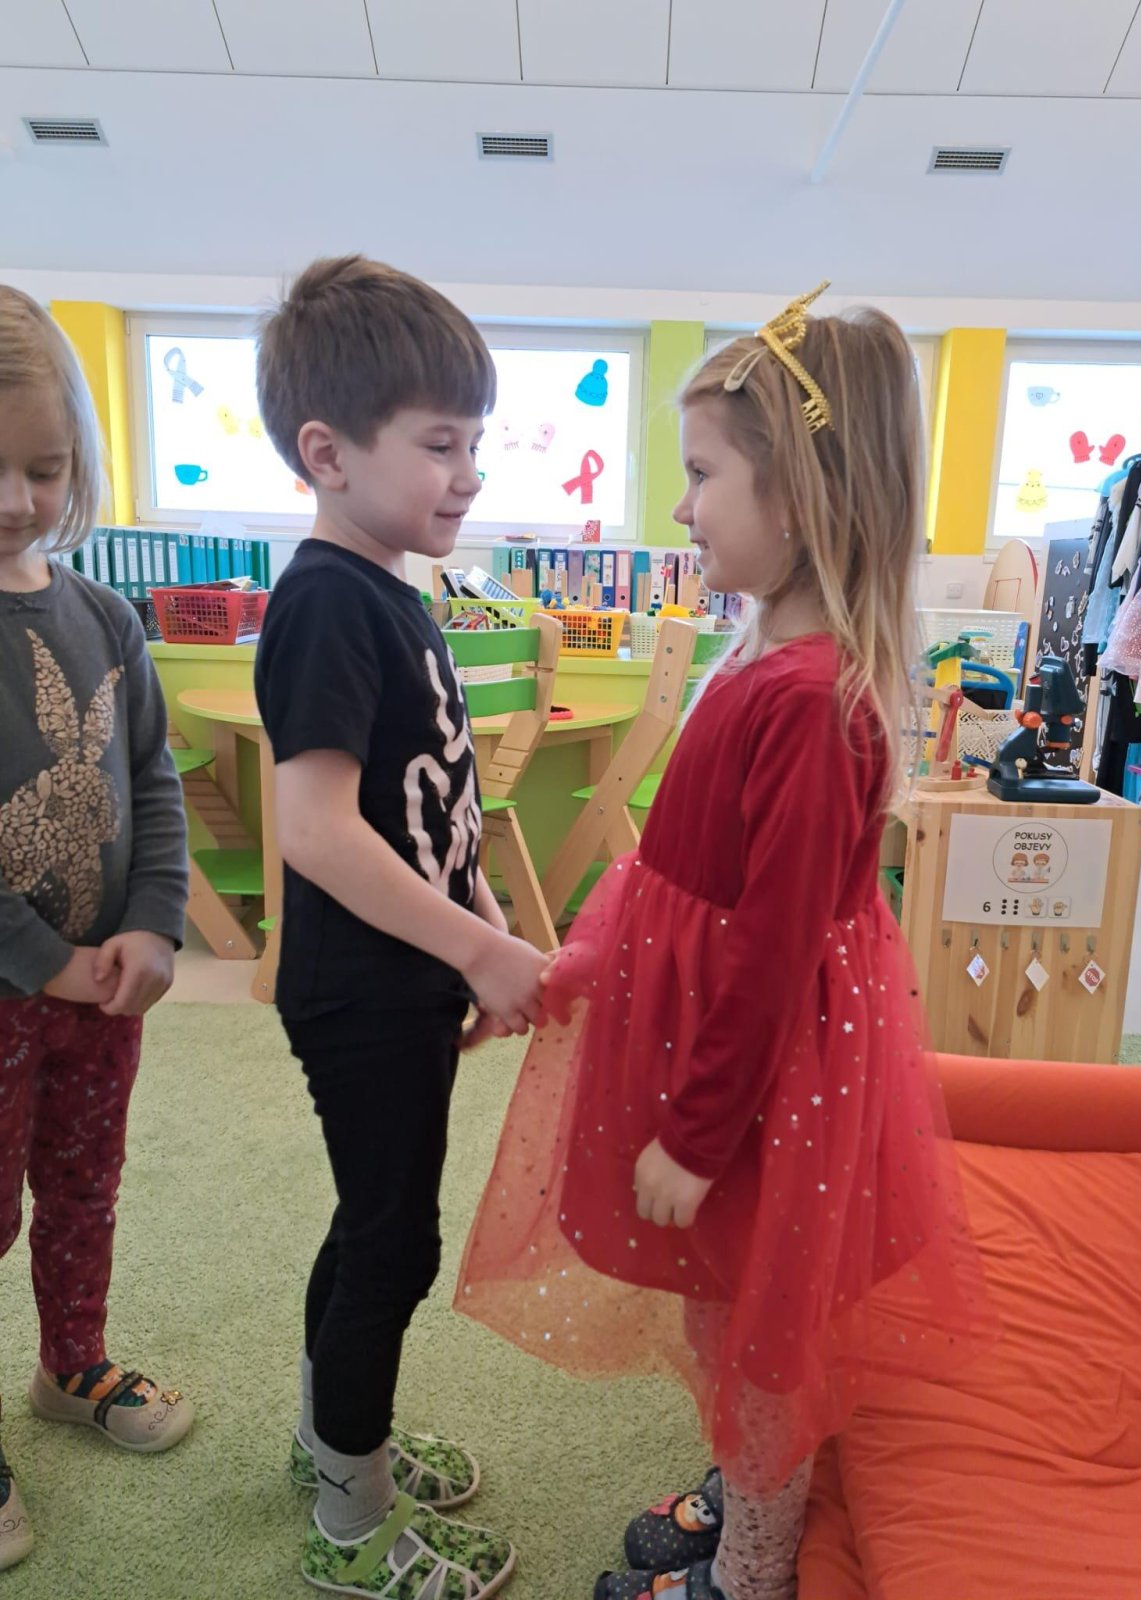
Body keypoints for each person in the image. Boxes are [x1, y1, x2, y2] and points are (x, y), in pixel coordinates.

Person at [455, 286, 993, 1600]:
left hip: (757, 1088)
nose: (683, 506)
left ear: (799, 499)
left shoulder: (812, 705)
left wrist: (696, 1138)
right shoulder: (760, 660)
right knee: (728, 1306)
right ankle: (744, 1488)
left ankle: (749, 1573)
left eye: (703, 476)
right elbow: (670, 881)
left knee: (760, 1328)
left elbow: (767, 955)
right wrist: (573, 971)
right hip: (735, 1068)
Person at [255, 256, 552, 1598]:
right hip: (360, 991)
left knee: (370, 1217)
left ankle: (332, 1442)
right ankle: (351, 1518)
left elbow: (436, 807)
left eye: (475, 444)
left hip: (407, 978)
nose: (468, 473)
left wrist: (480, 928)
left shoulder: (394, 589)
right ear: (328, 454)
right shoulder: (325, 599)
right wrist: (476, 951)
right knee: (394, 1239)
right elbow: (318, 829)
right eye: (439, 444)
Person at [0, 287, 194, 1571]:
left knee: (83, 1181)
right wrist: (44, 961)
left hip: (99, 992)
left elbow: (154, 780)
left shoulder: (108, 619)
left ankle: (72, 1363)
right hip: (15, 986)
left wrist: (156, 927)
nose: (17, 500)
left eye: (44, 467)